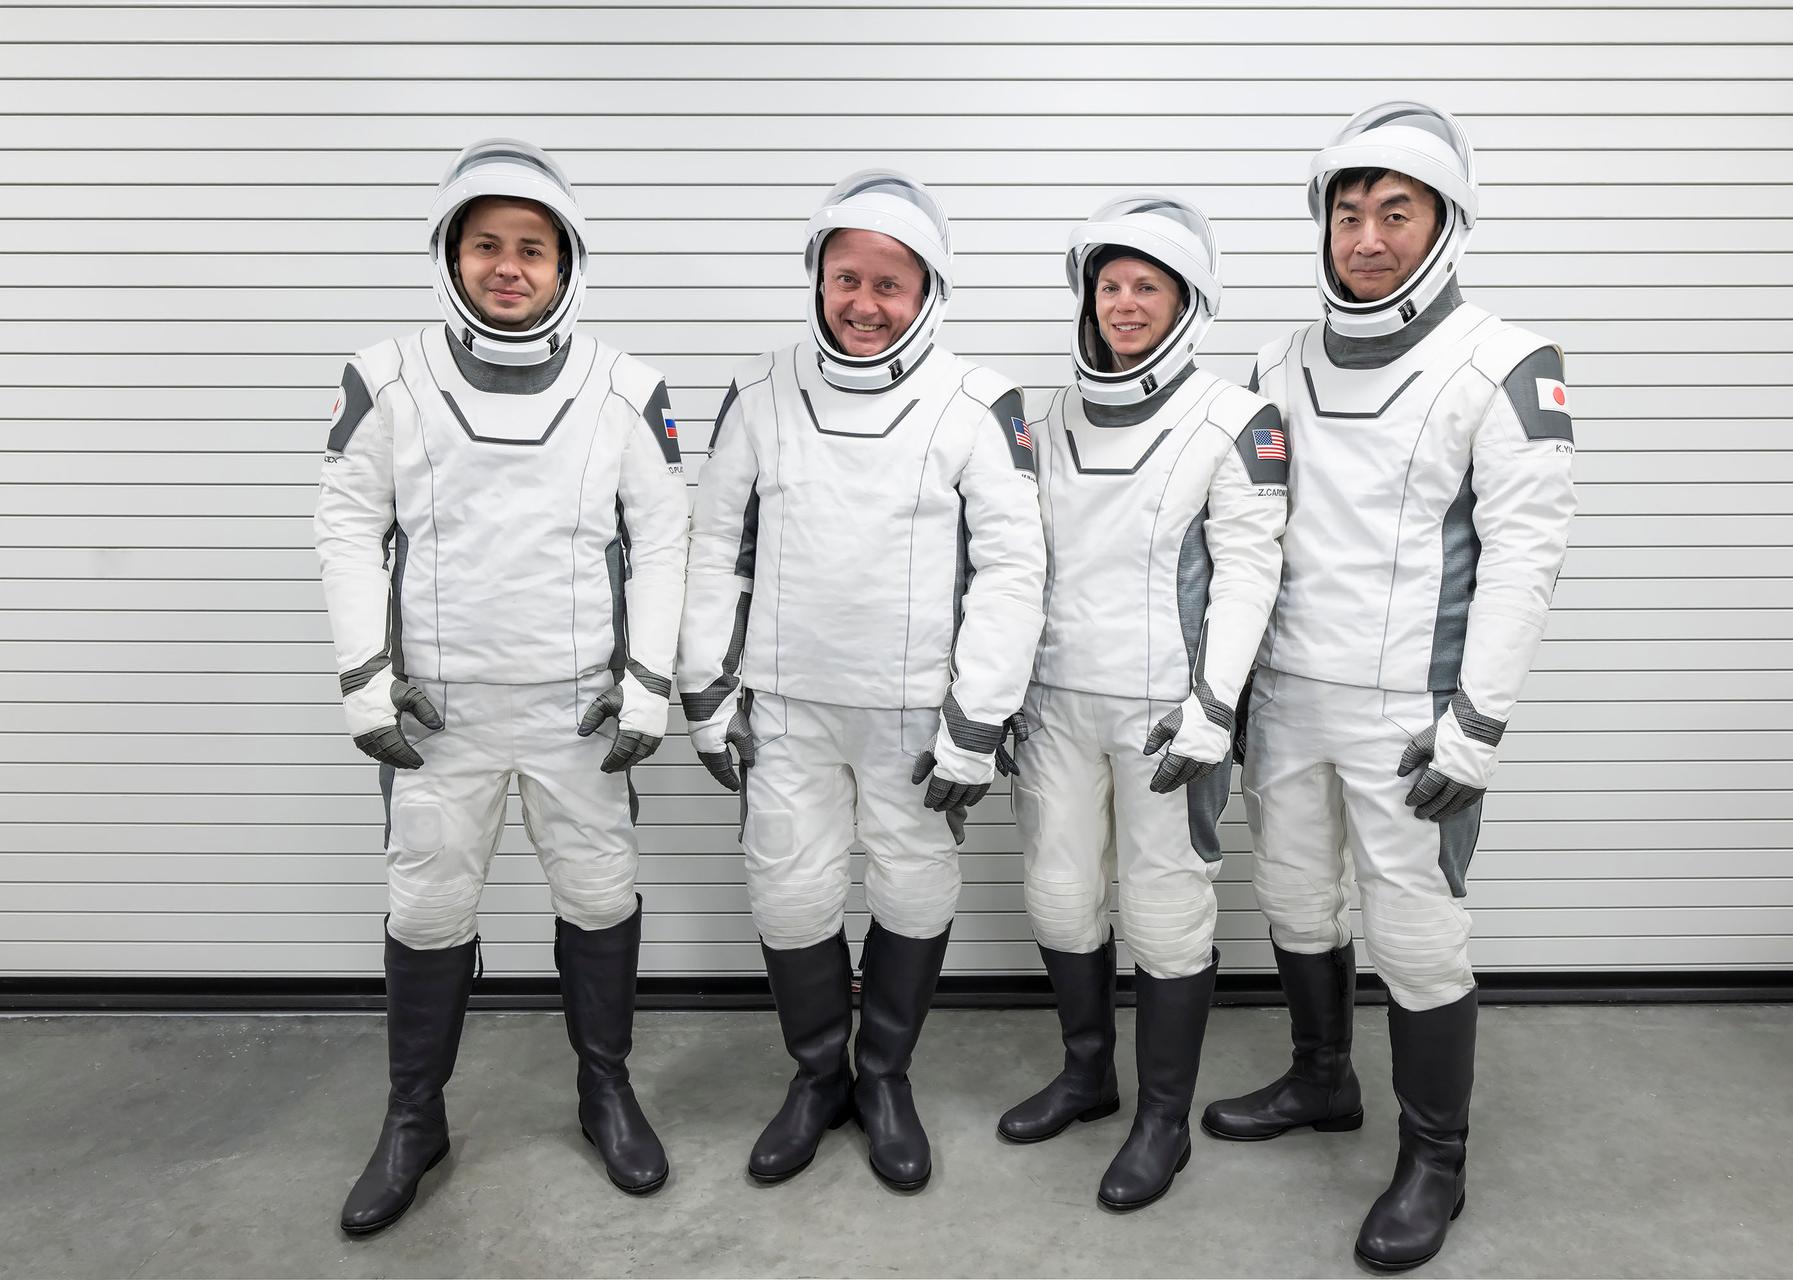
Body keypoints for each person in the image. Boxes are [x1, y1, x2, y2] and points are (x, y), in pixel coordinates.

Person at [1203, 102, 1578, 1272]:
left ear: (1446, 224)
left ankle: (1435, 1159)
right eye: (1347, 213)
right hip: (1288, 699)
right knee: (1301, 906)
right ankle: (1323, 1079)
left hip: (1414, 719)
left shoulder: (1508, 363)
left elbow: (1526, 553)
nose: (1364, 238)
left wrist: (1477, 727)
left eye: (1393, 214)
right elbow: (1237, 537)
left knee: (1418, 941)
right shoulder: (1274, 362)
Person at [315, 139, 690, 1233]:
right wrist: (365, 683)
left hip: (582, 712)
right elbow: (346, 525)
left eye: (533, 247)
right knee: (429, 907)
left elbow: (664, 539)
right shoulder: (386, 378)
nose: (509, 267)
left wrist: (649, 687)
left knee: (600, 898)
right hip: (440, 715)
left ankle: (604, 1089)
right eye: (488, 245)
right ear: (452, 254)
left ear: (568, 263)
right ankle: (413, 1115)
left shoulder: (625, 388)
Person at [677, 170, 1044, 1193]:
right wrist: (705, 689)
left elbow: (1015, 566)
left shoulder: (978, 403)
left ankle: (883, 1075)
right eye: (848, 277)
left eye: (891, 282)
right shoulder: (760, 394)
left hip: (918, 716)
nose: (866, 303)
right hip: (786, 706)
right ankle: (814, 1078)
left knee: (913, 885)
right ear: (818, 279)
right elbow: (716, 548)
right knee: (789, 892)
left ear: (928, 290)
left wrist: (978, 719)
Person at [997, 195, 1289, 1212]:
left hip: (1169, 718)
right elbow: (1002, 565)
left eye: (1146, 287)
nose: (1124, 303)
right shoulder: (1039, 421)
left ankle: (1162, 1118)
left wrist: (1215, 706)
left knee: (1166, 917)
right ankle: (1088, 1072)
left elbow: (1252, 571)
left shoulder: (1236, 420)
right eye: (1110, 285)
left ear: (1187, 303)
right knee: (1061, 896)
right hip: (1056, 707)